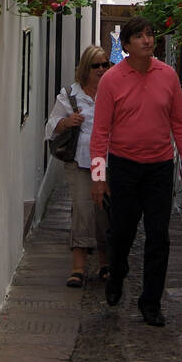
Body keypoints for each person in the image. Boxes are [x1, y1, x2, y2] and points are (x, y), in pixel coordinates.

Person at [89, 15, 182, 326]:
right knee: (121, 233)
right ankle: (116, 274)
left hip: (159, 168)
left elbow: (180, 122)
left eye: (150, 35)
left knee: (158, 236)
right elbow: (100, 132)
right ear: (126, 45)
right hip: (123, 167)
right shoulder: (111, 80)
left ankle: (151, 303)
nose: (147, 40)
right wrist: (99, 176)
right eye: (139, 36)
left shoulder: (168, 76)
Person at [45, 45, 111, 288]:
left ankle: (105, 263)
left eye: (105, 64)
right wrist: (67, 122)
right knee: (83, 210)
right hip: (80, 160)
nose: (102, 69)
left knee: (104, 212)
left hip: (106, 160)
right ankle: (78, 267)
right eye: (97, 65)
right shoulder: (70, 95)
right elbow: (51, 126)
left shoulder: (113, 91)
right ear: (86, 68)